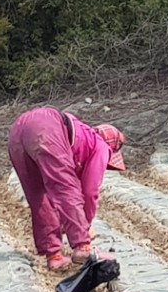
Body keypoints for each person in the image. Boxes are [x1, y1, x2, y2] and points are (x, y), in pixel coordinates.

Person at [8, 107, 126, 270]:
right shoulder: (101, 146)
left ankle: (54, 256)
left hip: (17, 131)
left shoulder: (81, 133)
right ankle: (82, 248)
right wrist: (84, 228)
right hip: (45, 126)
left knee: (39, 197)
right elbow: (89, 191)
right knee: (66, 187)